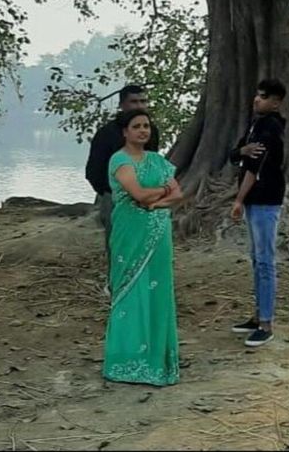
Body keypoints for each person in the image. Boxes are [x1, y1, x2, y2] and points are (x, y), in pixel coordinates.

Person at [103, 108, 183, 386]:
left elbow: (179, 194)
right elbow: (136, 193)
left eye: (146, 126)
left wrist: (154, 203)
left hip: (159, 235)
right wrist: (161, 192)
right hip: (130, 234)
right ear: (125, 132)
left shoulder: (158, 161)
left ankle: (156, 360)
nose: (142, 131)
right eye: (136, 126)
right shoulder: (119, 160)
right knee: (129, 292)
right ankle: (125, 360)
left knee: (158, 291)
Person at [228, 79, 287, 348]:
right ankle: (257, 315)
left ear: (275, 102)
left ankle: (266, 323)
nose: (256, 99)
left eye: (263, 96)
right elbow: (235, 154)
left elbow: (254, 165)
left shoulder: (271, 128)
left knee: (265, 261)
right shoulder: (255, 125)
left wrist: (238, 200)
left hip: (265, 199)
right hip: (254, 200)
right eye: (256, 94)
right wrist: (241, 150)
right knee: (256, 259)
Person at [86, 85, 162, 275]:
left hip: (143, 198)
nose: (139, 105)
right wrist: (110, 192)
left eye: (143, 101)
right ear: (122, 105)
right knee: (118, 244)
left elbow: (152, 163)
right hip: (114, 198)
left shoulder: (151, 131)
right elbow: (93, 170)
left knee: (144, 241)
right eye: (134, 101)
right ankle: (117, 285)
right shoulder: (106, 134)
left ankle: (141, 282)